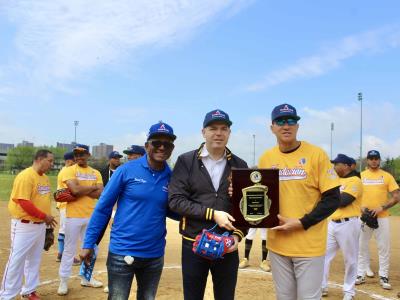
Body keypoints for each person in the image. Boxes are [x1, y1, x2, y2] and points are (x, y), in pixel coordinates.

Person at [81, 121, 177, 300]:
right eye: (156, 143)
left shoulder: (171, 176)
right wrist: (89, 243)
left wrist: (201, 211)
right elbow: (103, 208)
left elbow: (172, 210)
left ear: (172, 148)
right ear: (147, 145)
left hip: (154, 254)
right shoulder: (125, 170)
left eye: (167, 144)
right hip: (122, 252)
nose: (162, 147)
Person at [258, 103, 340, 300]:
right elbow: (259, 197)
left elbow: (332, 199)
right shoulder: (266, 158)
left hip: (308, 245)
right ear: (272, 127)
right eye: (280, 121)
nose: (286, 126)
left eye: (291, 121)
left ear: (297, 126)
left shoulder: (316, 154)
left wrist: (302, 222)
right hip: (278, 245)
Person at [168, 109, 248, 300]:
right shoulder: (186, 161)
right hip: (193, 243)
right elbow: (176, 201)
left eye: (224, 129)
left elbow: (246, 209)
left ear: (229, 133)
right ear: (203, 132)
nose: (218, 133)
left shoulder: (239, 164)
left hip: (227, 245)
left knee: (225, 297)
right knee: (193, 297)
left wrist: (237, 236)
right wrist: (213, 214)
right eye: (213, 128)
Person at [0, 149, 57, 300]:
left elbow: (43, 201)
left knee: (34, 259)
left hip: (39, 226)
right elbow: (23, 202)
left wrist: (46, 225)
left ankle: (29, 290)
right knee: (17, 259)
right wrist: (44, 216)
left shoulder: (44, 178)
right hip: (24, 225)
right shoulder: (25, 176)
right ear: (39, 159)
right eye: (50, 161)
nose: (52, 164)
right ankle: (6, 295)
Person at [57, 144, 104, 296]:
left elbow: (99, 193)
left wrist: (80, 189)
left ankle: (86, 277)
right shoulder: (69, 170)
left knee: (91, 248)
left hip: (91, 216)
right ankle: (63, 281)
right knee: (69, 249)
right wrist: (90, 188)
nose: (78, 157)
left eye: (82, 154)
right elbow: (74, 190)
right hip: (73, 216)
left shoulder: (95, 172)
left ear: (88, 155)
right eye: (76, 154)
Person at [356, 150, 400, 290]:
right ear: (367, 160)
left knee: (384, 248)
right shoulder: (360, 176)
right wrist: (360, 207)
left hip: (382, 218)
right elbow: (353, 195)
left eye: (376, 158)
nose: (374, 161)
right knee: (361, 246)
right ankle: (360, 274)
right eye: (371, 158)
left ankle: (383, 276)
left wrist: (383, 207)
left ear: (379, 160)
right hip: (364, 217)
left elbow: (396, 197)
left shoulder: (387, 176)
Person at [321, 154, 363, 300]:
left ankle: (349, 292)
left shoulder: (355, 181)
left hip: (349, 224)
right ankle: (322, 286)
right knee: (323, 256)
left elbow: (344, 200)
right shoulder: (335, 180)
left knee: (350, 259)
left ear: (345, 166)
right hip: (332, 223)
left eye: (337, 164)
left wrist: (327, 198)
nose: (334, 166)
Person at [56, 151, 81, 265]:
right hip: (66, 204)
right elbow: (73, 189)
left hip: (64, 204)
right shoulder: (67, 171)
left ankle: (61, 254)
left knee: (64, 229)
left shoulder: (64, 170)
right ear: (69, 161)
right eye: (75, 159)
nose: (76, 161)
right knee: (66, 230)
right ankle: (63, 255)